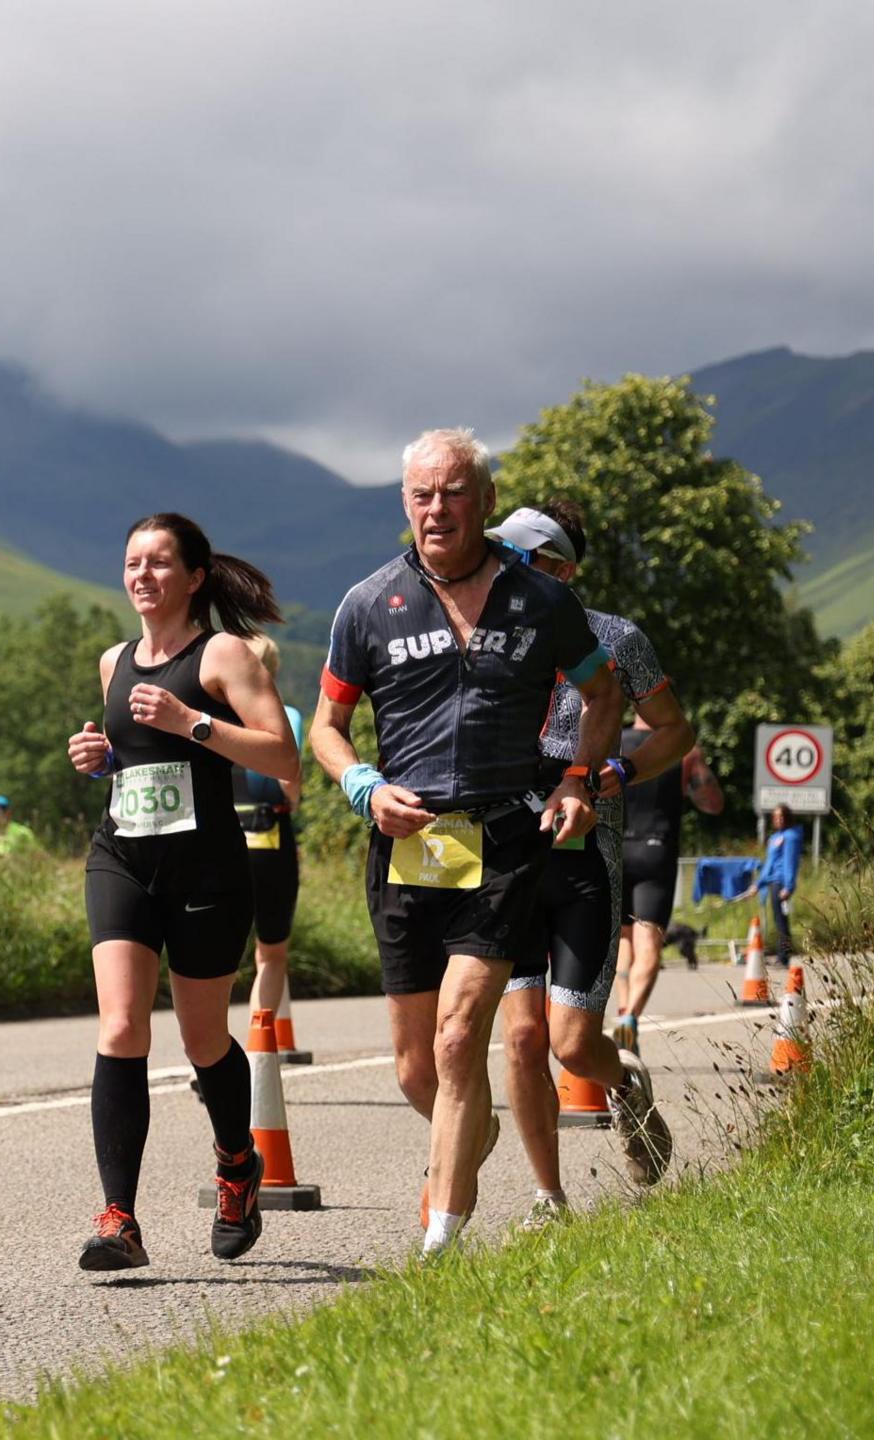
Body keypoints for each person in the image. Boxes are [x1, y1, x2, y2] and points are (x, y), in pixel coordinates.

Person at [310, 429, 621, 1258]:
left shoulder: (540, 600)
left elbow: (604, 693)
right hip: (407, 848)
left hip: (505, 840)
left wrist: (576, 780)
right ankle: (468, 1138)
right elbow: (327, 726)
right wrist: (362, 786)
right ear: (404, 505)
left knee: (460, 1038)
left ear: (485, 502)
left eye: (453, 493)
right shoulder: (368, 603)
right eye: (421, 495)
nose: (436, 509)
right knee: (419, 1067)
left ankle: (440, 1241)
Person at [63, 513, 301, 1272]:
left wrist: (192, 722)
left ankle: (238, 1166)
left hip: (205, 868)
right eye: (133, 561)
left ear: (194, 577)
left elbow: (283, 754)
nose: (143, 575)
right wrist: (98, 760)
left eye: (159, 563)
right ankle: (119, 1220)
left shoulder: (223, 655)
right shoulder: (114, 661)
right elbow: (134, 763)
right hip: (123, 858)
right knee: (123, 1024)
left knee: (203, 1041)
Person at [483, 503, 686, 1220]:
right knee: (523, 1035)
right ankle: (549, 1196)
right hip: (507, 853)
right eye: (498, 554)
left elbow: (673, 731)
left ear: (562, 570)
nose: (501, 568)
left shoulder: (615, 638)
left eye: (519, 557)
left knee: (571, 1046)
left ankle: (626, 1086)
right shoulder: (481, 636)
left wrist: (617, 774)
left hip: (585, 858)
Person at [614, 713, 722, 1050]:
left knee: (623, 942)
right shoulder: (682, 749)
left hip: (615, 850)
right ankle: (630, 1018)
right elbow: (713, 804)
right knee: (649, 943)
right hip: (655, 850)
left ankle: (620, 1011)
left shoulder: (613, 740)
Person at [233, 634, 307, 1045]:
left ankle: (210, 1046)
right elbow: (288, 783)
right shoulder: (284, 717)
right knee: (271, 952)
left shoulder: (213, 716)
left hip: (219, 837)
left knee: (217, 953)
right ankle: (258, 1043)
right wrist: (292, 802)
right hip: (268, 837)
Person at [755, 804, 806, 965]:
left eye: (782, 816)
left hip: (781, 884)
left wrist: (789, 886)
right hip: (772, 882)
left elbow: (790, 863)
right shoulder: (775, 838)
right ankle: (782, 953)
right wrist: (758, 884)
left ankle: (784, 955)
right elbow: (770, 863)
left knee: (782, 921)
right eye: (776, 817)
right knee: (779, 921)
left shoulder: (791, 837)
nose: (779, 819)